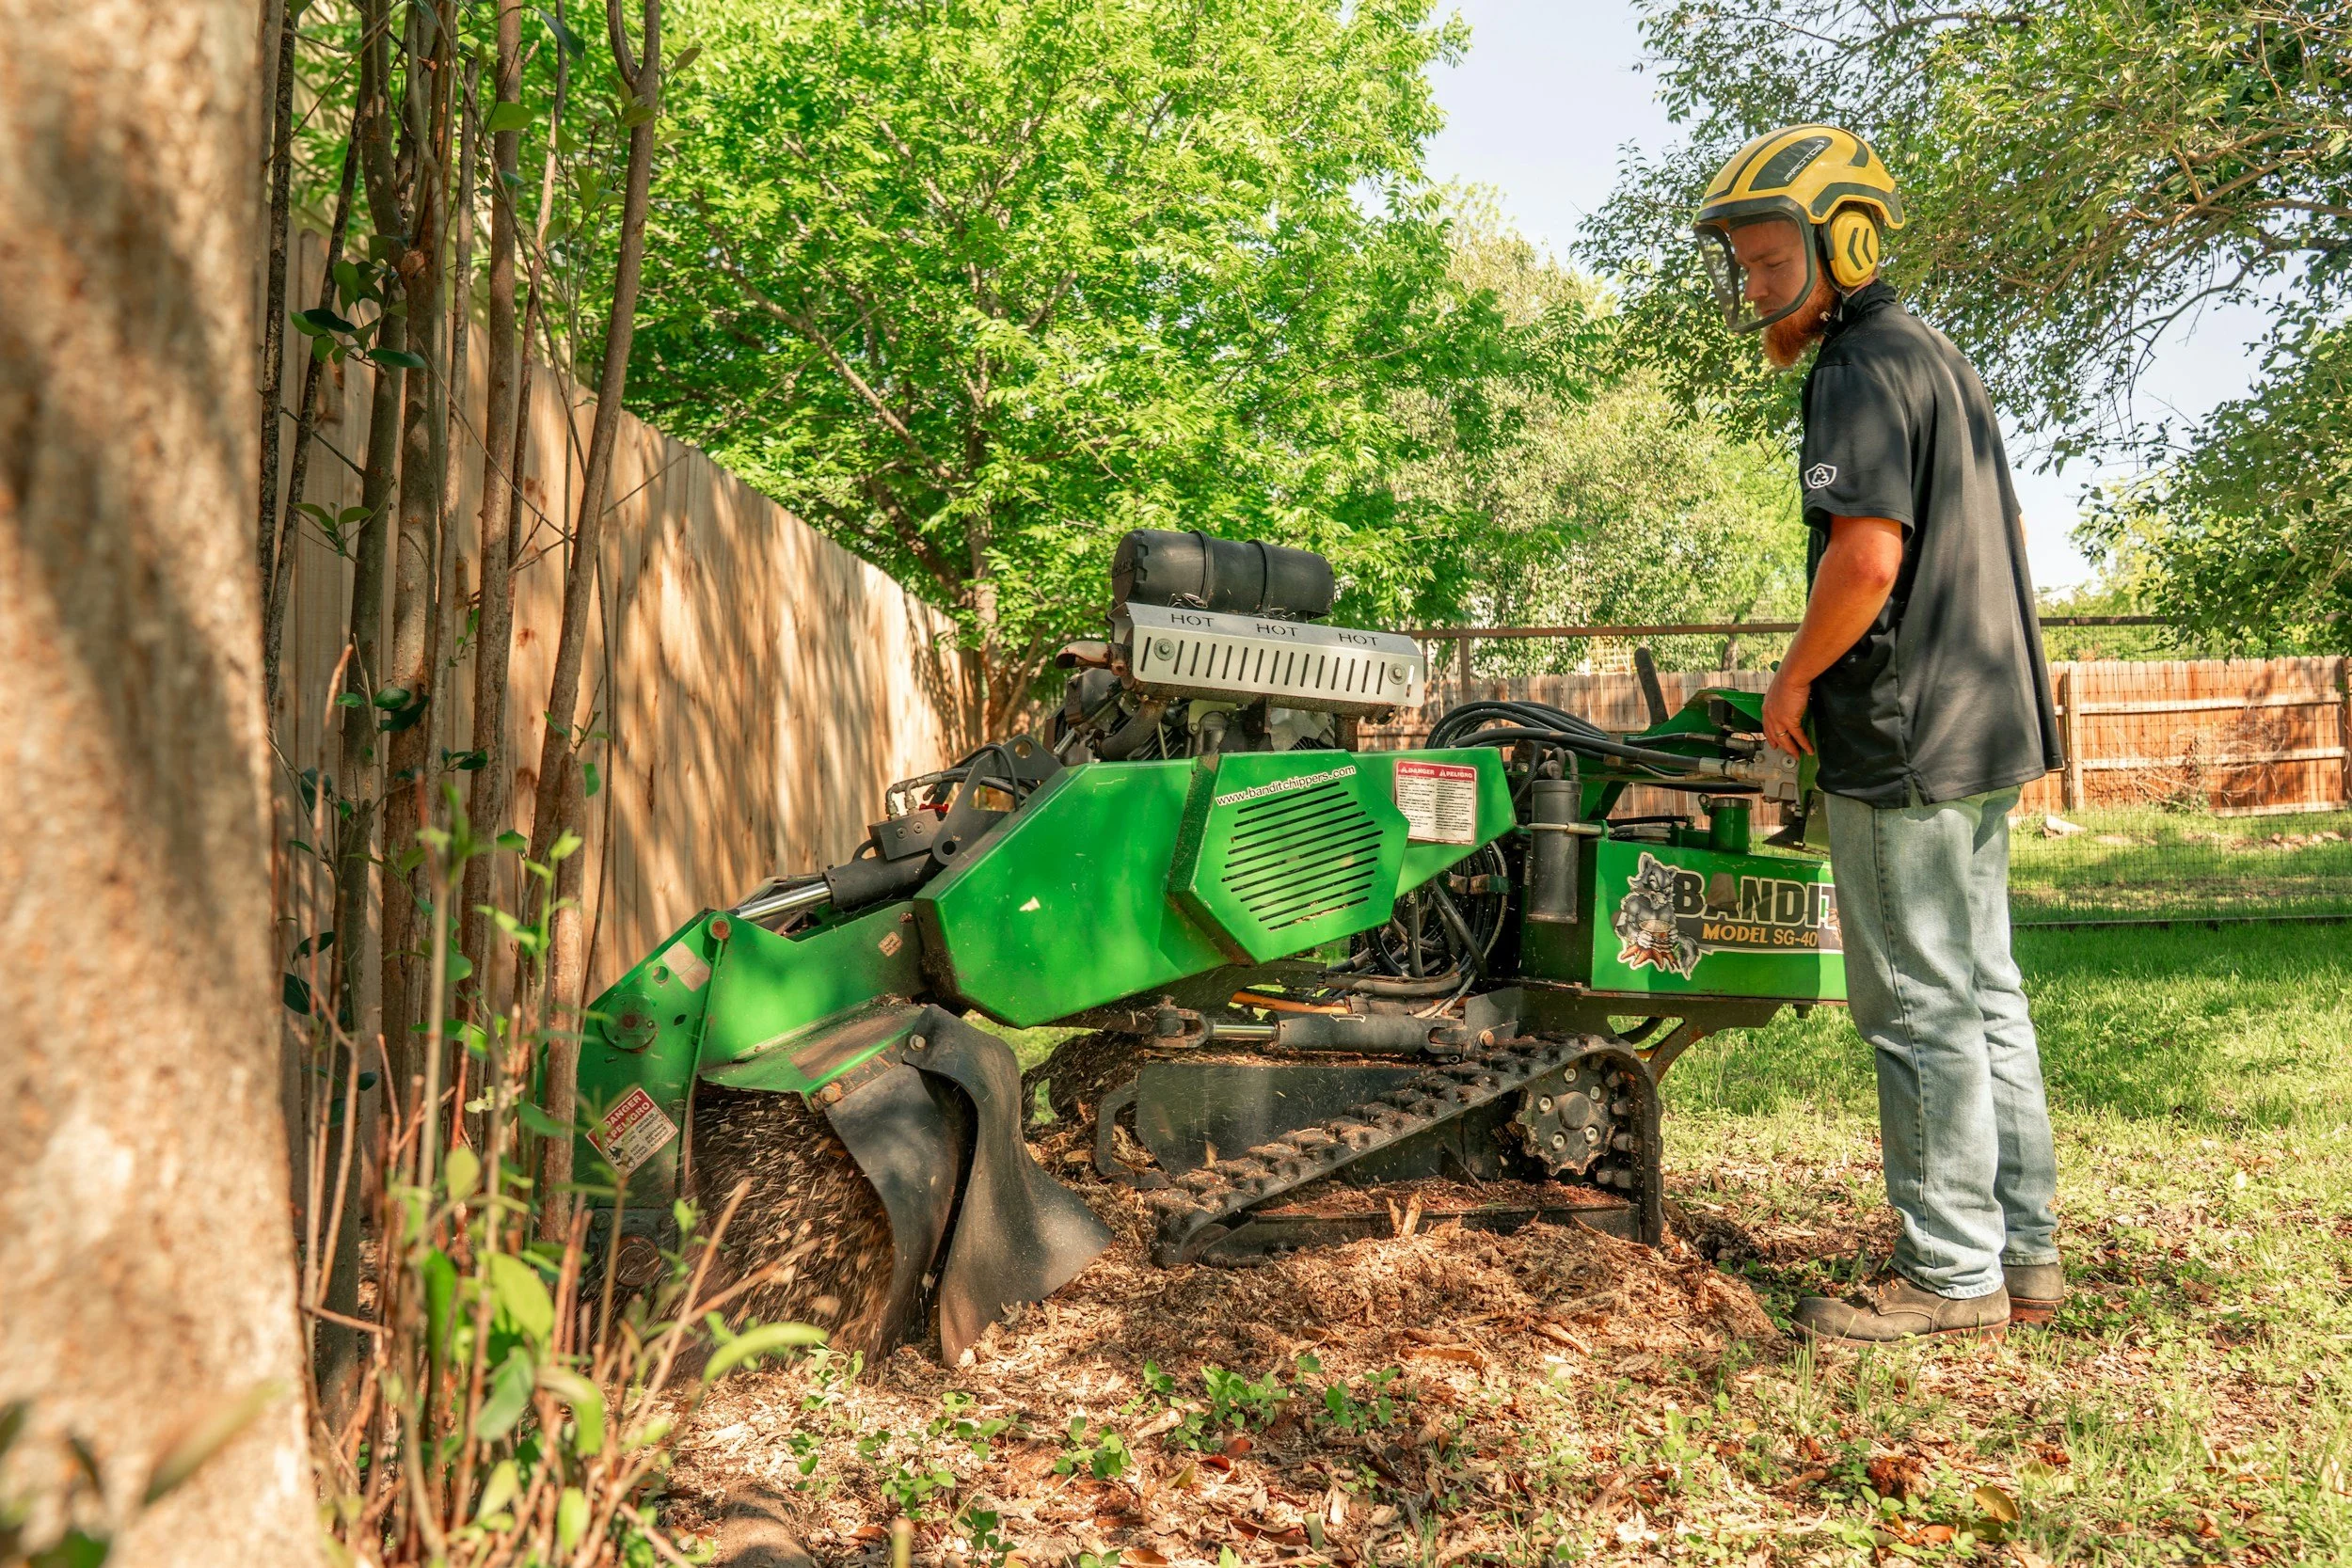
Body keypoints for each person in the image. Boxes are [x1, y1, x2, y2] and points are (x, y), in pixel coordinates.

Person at [1691, 125, 2067, 1342]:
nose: (1751, 287)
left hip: (1904, 733)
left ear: (1838, 243)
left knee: (1914, 1001)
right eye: (1743, 266)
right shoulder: (1940, 356)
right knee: (1984, 990)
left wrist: (1791, 681)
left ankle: (1949, 1275)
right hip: (1986, 725)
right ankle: (2023, 1253)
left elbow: (1867, 557)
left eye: (1763, 261)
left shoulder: (1855, 366)